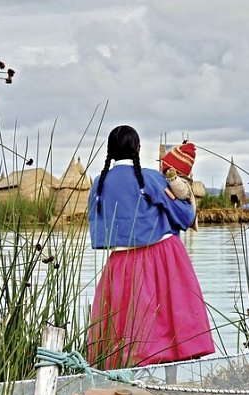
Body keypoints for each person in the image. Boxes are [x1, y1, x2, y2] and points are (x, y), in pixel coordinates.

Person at [87, 125, 215, 374]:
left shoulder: (99, 184)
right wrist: (188, 201)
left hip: (121, 262)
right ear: (138, 149)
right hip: (162, 255)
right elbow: (182, 216)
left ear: (110, 151)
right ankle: (172, 386)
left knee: (127, 327)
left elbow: (99, 231)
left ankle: (131, 387)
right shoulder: (149, 178)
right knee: (171, 319)